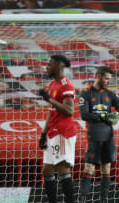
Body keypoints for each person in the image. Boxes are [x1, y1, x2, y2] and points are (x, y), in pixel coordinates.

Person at [78, 66, 119, 202]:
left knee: (106, 168)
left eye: (110, 79)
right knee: (89, 167)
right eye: (106, 78)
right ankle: (83, 199)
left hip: (108, 136)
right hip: (94, 136)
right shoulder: (85, 94)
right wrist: (104, 116)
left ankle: (104, 199)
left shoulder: (111, 95)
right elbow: (84, 115)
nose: (109, 81)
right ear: (98, 76)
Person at [38, 55, 76, 203]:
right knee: (47, 171)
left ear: (59, 66)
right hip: (52, 132)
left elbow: (69, 110)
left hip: (62, 133)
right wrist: (43, 133)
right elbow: (52, 110)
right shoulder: (53, 84)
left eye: (50, 64)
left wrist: (49, 99)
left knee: (62, 170)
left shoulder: (66, 85)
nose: (47, 67)